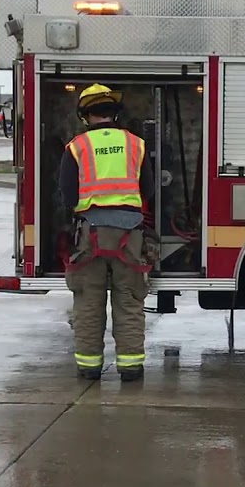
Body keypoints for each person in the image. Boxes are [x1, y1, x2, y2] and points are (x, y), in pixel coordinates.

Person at [59, 84, 157, 382]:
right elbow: (148, 189)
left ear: (85, 115)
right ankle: (130, 367)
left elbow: (67, 194)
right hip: (130, 235)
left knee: (89, 301)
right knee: (129, 300)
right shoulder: (136, 144)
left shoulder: (76, 147)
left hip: (91, 234)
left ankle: (89, 367)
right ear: (114, 114)